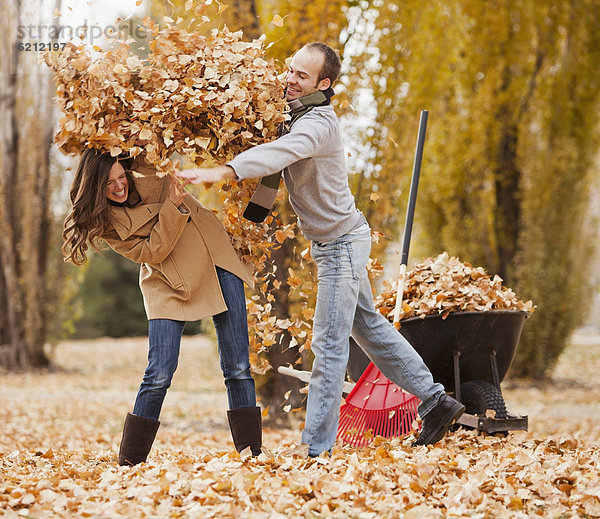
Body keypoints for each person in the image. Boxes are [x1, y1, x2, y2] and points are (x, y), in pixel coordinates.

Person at [177, 42, 465, 457]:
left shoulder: (318, 124)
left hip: (342, 246)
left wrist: (223, 171)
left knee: (330, 346)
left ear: (323, 84)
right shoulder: (293, 117)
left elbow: (284, 151)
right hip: (338, 243)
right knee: (372, 330)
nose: (290, 80)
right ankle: (436, 400)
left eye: (301, 76)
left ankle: (315, 448)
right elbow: (278, 142)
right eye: (290, 70)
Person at [62, 149, 262, 465]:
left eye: (120, 176)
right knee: (159, 371)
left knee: (237, 365)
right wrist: (173, 205)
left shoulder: (144, 169)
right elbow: (153, 251)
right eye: (108, 183)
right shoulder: (108, 225)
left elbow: (154, 136)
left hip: (213, 258)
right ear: (94, 188)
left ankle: (252, 454)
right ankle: (130, 461)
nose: (118, 186)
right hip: (165, 279)